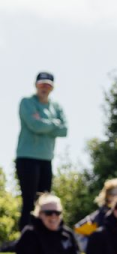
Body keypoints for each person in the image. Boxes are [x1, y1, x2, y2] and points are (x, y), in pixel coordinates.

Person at [16, 72, 68, 229]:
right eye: (41, 84)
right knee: (29, 199)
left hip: (46, 158)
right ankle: (26, 235)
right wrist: (54, 124)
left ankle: (43, 234)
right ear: (36, 85)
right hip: (27, 157)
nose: (44, 88)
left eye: (48, 85)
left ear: (52, 88)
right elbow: (34, 125)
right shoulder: (27, 102)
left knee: (45, 199)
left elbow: (64, 130)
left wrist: (44, 123)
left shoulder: (56, 106)